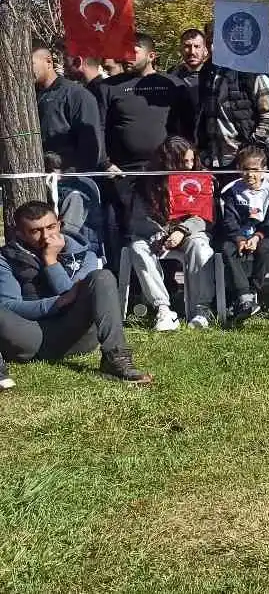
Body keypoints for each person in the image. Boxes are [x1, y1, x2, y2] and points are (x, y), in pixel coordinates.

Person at [0, 202, 151, 389]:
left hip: (77, 336)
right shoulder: (6, 259)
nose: (46, 236)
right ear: (20, 234)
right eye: (35, 231)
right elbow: (9, 306)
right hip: (31, 338)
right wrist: (56, 303)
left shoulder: (83, 255)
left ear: (60, 224)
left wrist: (51, 261)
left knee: (102, 277)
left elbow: (73, 296)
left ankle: (115, 358)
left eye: (51, 227)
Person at [126, 136, 217, 330]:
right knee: (137, 248)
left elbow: (204, 217)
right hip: (154, 233)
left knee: (201, 248)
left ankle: (201, 309)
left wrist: (181, 230)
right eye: (185, 162)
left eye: (192, 161)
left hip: (191, 231)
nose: (191, 166)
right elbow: (138, 219)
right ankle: (163, 309)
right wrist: (159, 233)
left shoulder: (200, 179)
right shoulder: (147, 182)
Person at [170, 28, 269, 170]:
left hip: (253, 164)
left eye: (217, 42)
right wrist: (204, 154)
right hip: (217, 162)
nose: (213, 47)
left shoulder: (251, 73)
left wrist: (252, 149)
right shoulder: (207, 74)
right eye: (210, 42)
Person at [96, 32, 191, 173]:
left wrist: (186, 157)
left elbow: (187, 124)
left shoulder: (173, 84)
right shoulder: (108, 87)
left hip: (167, 167)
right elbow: (99, 127)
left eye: (133, 52)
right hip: (123, 171)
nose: (126, 56)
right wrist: (105, 163)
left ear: (151, 56)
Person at [216, 146, 269, 326]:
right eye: (246, 169)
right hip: (238, 236)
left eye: (255, 170)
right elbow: (228, 220)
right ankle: (243, 294)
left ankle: (253, 291)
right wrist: (239, 238)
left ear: (264, 171)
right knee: (227, 249)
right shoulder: (233, 191)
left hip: (262, 235)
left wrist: (257, 237)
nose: (250, 174)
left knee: (266, 249)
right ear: (239, 169)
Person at [33, 41, 104, 175]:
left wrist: (67, 171)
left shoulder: (77, 95)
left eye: (30, 64)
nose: (24, 70)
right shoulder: (30, 97)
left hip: (68, 181)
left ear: (48, 62)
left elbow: (90, 148)